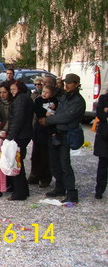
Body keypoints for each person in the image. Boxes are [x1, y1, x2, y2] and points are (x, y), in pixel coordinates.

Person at [39, 73, 85, 203]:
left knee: (65, 165)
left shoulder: (78, 101)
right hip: (56, 133)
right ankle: (60, 187)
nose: (67, 85)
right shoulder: (65, 97)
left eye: (70, 83)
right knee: (55, 163)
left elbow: (65, 117)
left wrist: (48, 120)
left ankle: (71, 192)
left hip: (67, 134)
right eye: (66, 83)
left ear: (76, 84)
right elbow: (58, 111)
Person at [6, 80, 34, 201]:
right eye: (11, 90)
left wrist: (10, 136)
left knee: (16, 162)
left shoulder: (21, 99)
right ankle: (22, 190)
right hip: (23, 133)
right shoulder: (24, 98)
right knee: (19, 162)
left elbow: (18, 119)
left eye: (14, 89)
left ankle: (19, 192)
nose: (12, 92)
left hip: (20, 135)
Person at [28, 85, 58, 188]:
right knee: (36, 155)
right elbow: (38, 111)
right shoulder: (38, 100)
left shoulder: (55, 101)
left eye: (47, 92)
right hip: (38, 130)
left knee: (46, 157)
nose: (44, 94)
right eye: (43, 92)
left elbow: (56, 112)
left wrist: (53, 110)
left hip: (48, 131)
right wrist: (46, 113)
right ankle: (34, 176)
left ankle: (45, 178)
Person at [94, 88, 108, 199]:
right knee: (102, 165)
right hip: (104, 136)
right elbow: (100, 114)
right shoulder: (103, 98)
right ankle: (99, 190)